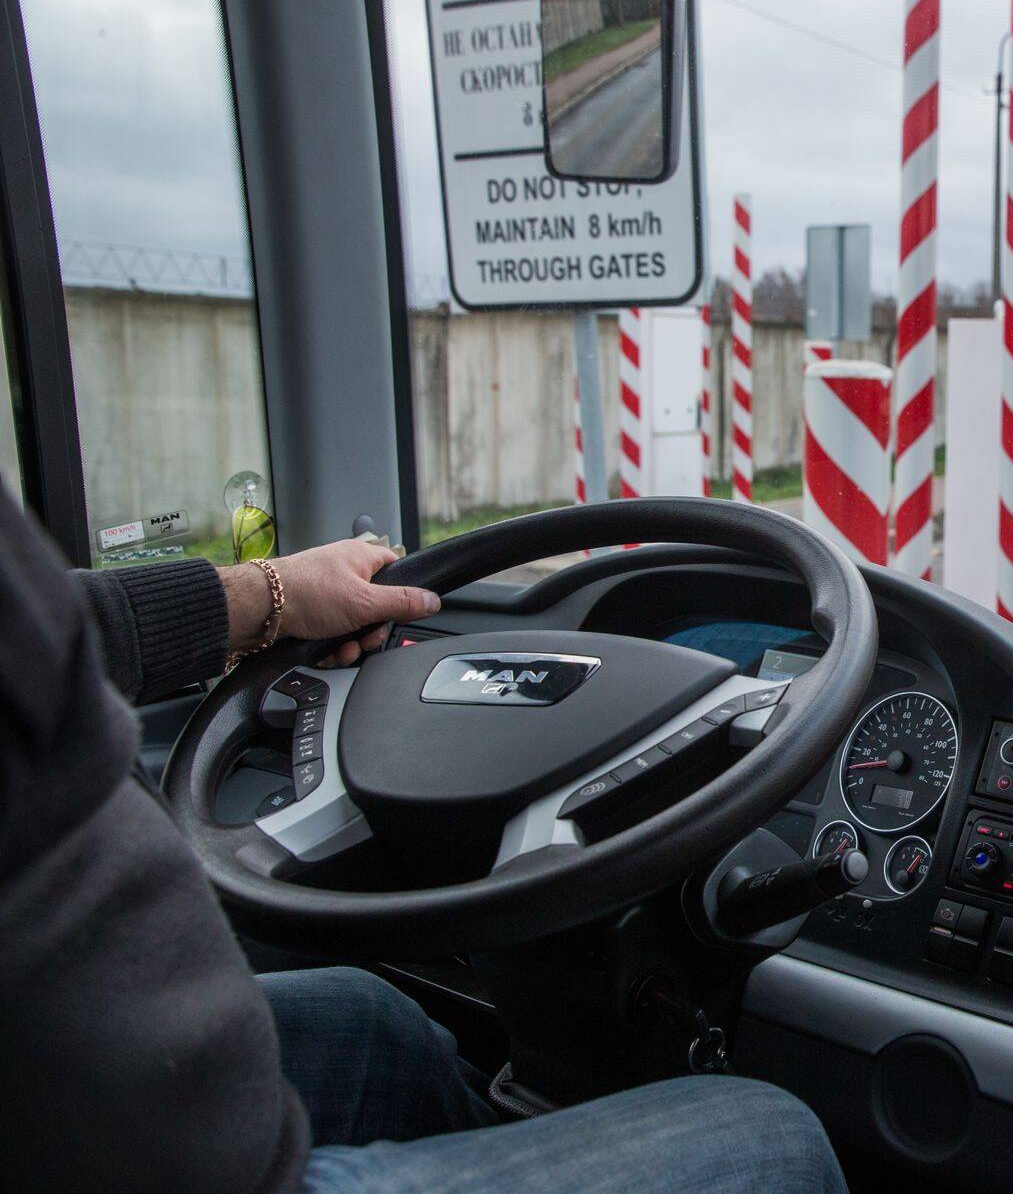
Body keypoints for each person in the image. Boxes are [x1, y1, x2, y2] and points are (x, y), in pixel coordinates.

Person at [0, 494, 847, 1194]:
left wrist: (270, 594)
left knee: (374, 1020)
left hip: (82, 1094)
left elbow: (34, 629)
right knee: (773, 1134)